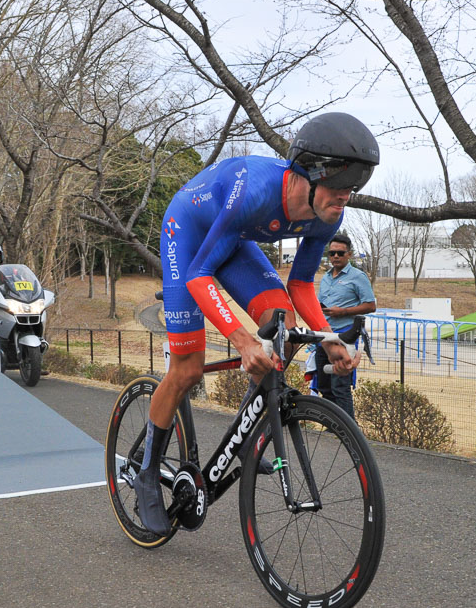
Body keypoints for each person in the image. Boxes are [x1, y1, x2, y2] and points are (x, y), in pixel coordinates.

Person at [133, 111, 379, 533]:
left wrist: (328, 339)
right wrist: (242, 341)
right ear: (310, 174)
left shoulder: (328, 214)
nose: (345, 199)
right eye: (339, 189)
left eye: (352, 189)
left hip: (234, 241)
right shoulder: (257, 190)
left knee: (281, 327)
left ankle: (245, 438)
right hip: (188, 235)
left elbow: (301, 284)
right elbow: (198, 274)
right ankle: (147, 473)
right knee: (188, 368)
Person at [312, 233, 375, 418]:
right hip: (324, 336)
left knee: (340, 387)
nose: (336, 257)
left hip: (344, 337)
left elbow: (371, 305)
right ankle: (333, 427)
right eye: (332, 253)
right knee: (324, 385)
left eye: (340, 253)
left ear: (349, 254)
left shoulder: (358, 276)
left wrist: (343, 312)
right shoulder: (325, 277)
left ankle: (348, 430)